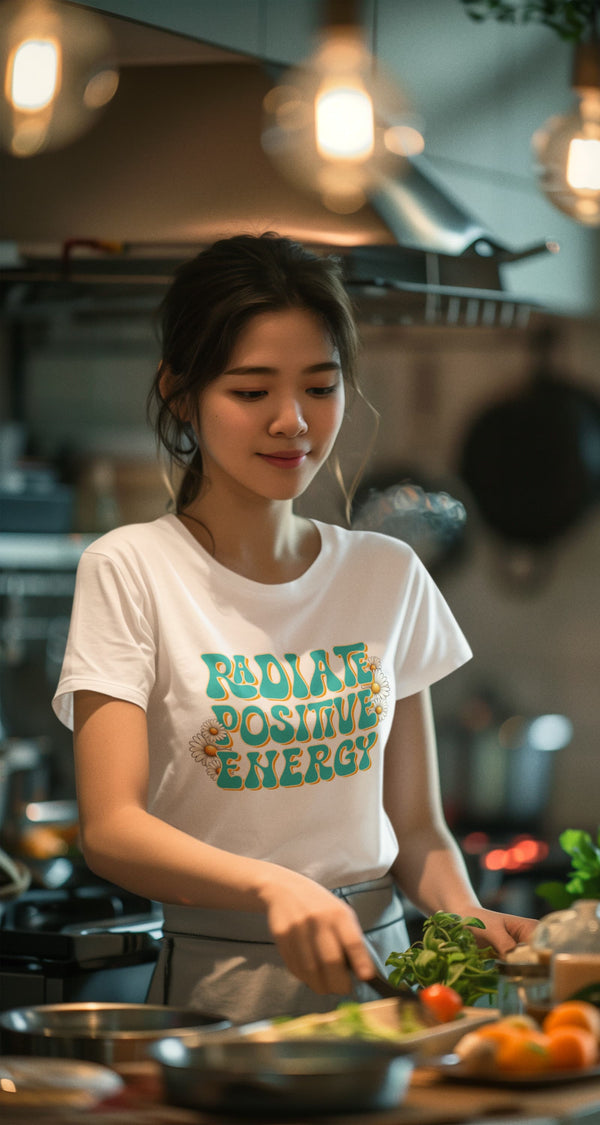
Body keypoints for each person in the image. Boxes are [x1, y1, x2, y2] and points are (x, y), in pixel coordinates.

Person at [53, 233, 537, 1023]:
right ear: (181, 393)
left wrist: (462, 912)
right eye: (250, 392)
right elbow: (111, 829)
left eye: (320, 386)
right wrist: (274, 883)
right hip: (219, 990)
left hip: (386, 980)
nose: (292, 421)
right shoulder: (131, 567)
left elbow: (417, 828)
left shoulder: (387, 573)